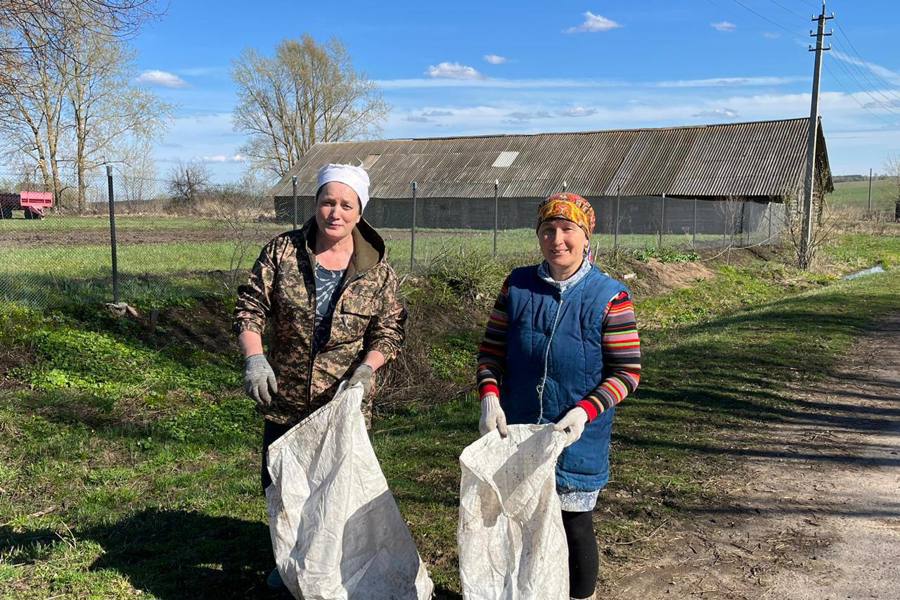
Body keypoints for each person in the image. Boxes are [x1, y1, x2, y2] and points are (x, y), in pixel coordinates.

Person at [232, 163, 407, 589]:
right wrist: (255, 358)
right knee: (283, 484)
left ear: (360, 212)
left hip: (342, 403)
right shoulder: (282, 252)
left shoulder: (377, 271)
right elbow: (250, 307)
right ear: (315, 204)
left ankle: (330, 564)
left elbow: (390, 329)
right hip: (286, 398)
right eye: (328, 201)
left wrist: (367, 370)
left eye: (347, 205)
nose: (336, 212)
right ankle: (288, 560)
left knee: (334, 491)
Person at [476, 192, 641, 600]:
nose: (557, 239)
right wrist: (490, 397)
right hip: (516, 433)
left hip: (576, 439)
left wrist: (586, 411)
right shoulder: (517, 286)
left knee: (573, 525)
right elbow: (491, 353)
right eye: (548, 230)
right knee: (519, 525)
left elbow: (627, 372)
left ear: (586, 237)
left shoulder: (609, 296)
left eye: (568, 230)